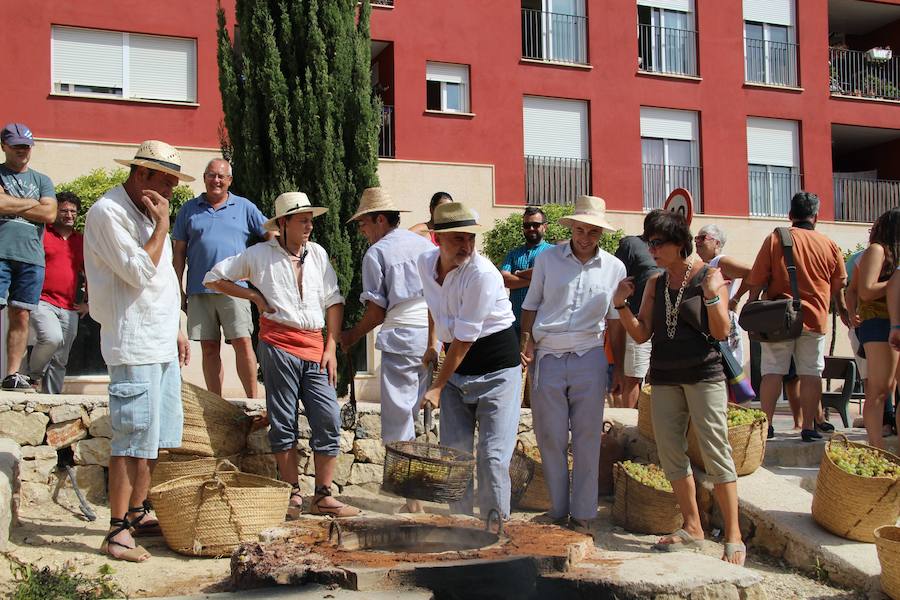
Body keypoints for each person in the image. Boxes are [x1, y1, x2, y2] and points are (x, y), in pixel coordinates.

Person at [204, 192, 359, 519]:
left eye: (310, 219)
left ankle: (324, 494)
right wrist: (252, 296)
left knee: (328, 418)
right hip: (278, 345)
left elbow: (334, 300)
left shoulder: (317, 254)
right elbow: (214, 277)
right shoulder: (259, 255)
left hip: (315, 346)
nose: (309, 225)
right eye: (302, 220)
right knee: (284, 421)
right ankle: (292, 493)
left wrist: (331, 347)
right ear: (284, 223)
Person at [613, 209, 745, 566]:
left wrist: (714, 296)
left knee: (716, 450)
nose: (651, 249)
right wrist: (621, 305)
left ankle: (733, 534)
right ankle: (692, 526)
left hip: (704, 375)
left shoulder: (709, 275)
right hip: (665, 376)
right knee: (671, 452)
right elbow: (641, 334)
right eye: (649, 242)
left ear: (679, 244)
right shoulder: (655, 281)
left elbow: (720, 333)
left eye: (658, 243)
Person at [84, 140, 192, 562]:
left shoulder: (147, 211)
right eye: (166, 181)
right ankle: (116, 532)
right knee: (130, 439)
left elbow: (164, 279)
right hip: (133, 343)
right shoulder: (107, 213)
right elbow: (138, 272)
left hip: (161, 342)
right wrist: (163, 226)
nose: (170, 191)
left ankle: (137, 513)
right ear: (141, 174)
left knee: (155, 439)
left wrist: (178, 329)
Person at [520, 195, 626, 533]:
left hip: (590, 356)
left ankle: (583, 514)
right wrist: (527, 341)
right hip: (548, 356)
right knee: (549, 436)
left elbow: (615, 321)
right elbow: (530, 305)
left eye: (592, 232)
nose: (585, 237)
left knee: (587, 437)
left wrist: (619, 367)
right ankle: (557, 509)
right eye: (580, 230)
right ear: (571, 229)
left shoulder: (614, 268)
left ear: (600, 234)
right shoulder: (548, 260)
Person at [417, 202, 521, 519]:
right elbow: (433, 307)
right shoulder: (425, 263)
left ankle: (494, 530)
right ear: (437, 239)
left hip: (497, 371)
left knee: (491, 457)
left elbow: (463, 341)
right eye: (457, 238)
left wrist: (437, 386)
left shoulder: (483, 274)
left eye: (470, 238)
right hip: (455, 371)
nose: (466, 245)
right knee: (455, 456)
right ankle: (460, 529)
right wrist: (432, 343)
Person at [340, 187, 435, 513]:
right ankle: (415, 496)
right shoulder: (424, 245)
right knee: (414, 418)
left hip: (401, 338)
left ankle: (413, 499)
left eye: (363, 224)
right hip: (430, 337)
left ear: (380, 220)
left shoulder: (376, 254)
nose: (362, 231)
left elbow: (377, 312)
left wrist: (351, 334)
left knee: (399, 423)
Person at [745, 192, 847, 443]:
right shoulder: (829, 244)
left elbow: (757, 278)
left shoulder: (776, 239)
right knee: (811, 373)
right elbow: (839, 285)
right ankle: (809, 427)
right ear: (816, 216)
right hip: (815, 317)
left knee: (772, 371)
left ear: (790, 216)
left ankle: (766, 426)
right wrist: (843, 311)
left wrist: (750, 304)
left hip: (779, 318)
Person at [173, 158, 269, 398]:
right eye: (211, 175)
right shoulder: (188, 209)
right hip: (199, 290)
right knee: (208, 349)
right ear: (204, 177)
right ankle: (216, 403)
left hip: (235, 289)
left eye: (221, 176)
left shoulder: (245, 207)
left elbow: (271, 236)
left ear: (229, 181)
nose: (216, 180)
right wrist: (178, 289)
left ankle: (253, 401)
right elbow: (179, 253)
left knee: (243, 343)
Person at [0, 123, 57, 392]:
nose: (23, 150)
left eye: (26, 146)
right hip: (1, 252)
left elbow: (50, 215)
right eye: (17, 146)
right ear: (4, 147)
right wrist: (35, 205)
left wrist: (13, 203)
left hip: (32, 256)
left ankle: (12, 374)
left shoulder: (43, 179)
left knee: (21, 315)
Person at [27, 191, 88, 394]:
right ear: (55, 212)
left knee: (60, 358)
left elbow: (93, 274)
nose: (69, 214)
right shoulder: (43, 233)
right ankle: (33, 376)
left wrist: (90, 303)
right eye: (64, 210)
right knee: (51, 338)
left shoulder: (81, 241)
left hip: (70, 307)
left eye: (73, 211)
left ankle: (51, 398)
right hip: (42, 300)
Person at [853, 208, 899, 447]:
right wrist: (895, 282)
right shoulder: (877, 250)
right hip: (879, 322)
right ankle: (876, 445)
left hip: (894, 322)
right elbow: (866, 290)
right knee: (880, 389)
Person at [613, 231, 661, 408]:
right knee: (633, 376)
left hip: (665, 326)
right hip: (635, 321)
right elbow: (617, 279)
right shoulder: (631, 244)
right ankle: (629, 425)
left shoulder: (669, 248)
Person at [694, 225, 750, 369]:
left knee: (728, 369)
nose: (697, 242)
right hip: (714, 324)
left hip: (724, 324)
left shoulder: (720, 261)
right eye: (696, 238)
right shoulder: (706, 264)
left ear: (717, 243)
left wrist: (736, 298)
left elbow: (751, 272)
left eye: (703, 238)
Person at [499, 206, 553, 334]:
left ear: (545, 227)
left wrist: (517, 274)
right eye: (527, 225)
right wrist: (538, 279)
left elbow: (550, 273)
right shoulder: (513, 254)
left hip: (543, 324)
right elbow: (505, 280)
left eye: (535, 225)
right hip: (515, 323)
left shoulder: (553, 253)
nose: (531, 229)